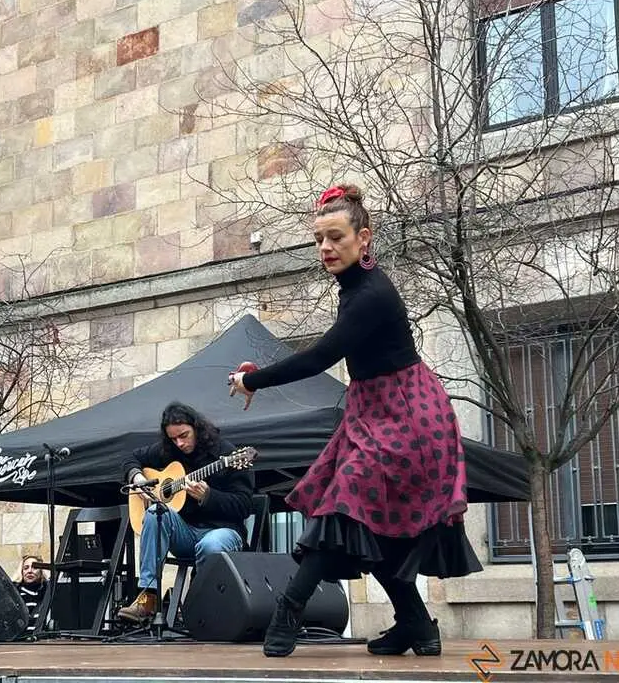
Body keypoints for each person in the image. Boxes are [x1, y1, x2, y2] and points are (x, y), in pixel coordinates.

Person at [228, 184, 482, 658]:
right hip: (374, 409)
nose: (325, 248)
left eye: (336, 238)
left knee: (343, 504)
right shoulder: (355, 289)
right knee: (373, 523)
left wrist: (254, 381)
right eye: (319, 239)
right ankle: (416, 625)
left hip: (407, 416)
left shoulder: (371, 294)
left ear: (364, 239)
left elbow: (322, 354)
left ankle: (287, 611)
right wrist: (257, 375)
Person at [116, 402, 255, 624]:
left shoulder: (227, 454)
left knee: (211, 544)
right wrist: (137, 478)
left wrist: (208, 497)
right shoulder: (168, 452)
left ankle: (201, 603)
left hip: (223, 532)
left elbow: (245, 505)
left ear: (196, 427)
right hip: (185, 534)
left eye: (184, 435)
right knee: (155, 512)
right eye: (173, 439)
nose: (180, 443)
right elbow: (129, 458)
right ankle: (149, 596)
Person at [13, 554, 47, 633]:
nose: (30, 571)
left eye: (35, 567)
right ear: (22, 571)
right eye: (26, 568)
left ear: (41, 571)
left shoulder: (48, 592)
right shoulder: (14, 594)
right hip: (18, 642)